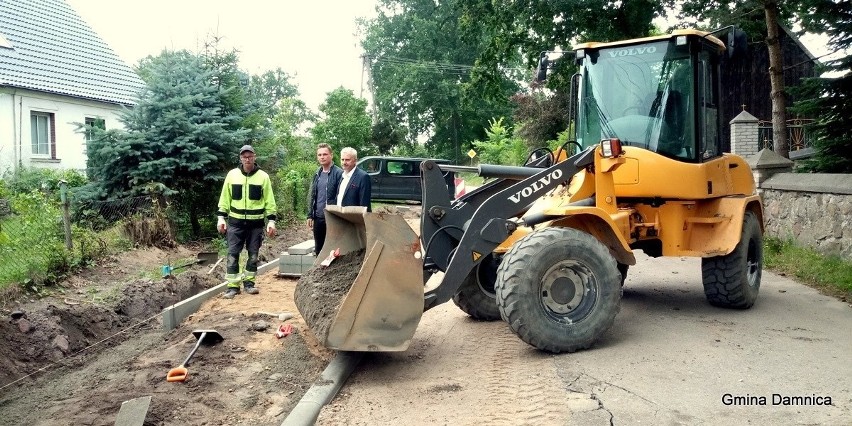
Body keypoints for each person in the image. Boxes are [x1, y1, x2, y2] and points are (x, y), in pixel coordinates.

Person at [217, 145, 277, 299]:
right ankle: (233, 286)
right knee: (232, 254)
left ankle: (249, 283)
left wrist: (271, 221)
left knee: (253, 255)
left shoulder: (263, 177)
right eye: (244, 156)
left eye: (250, 156)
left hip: (255, 224)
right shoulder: (232, 175)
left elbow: (269, 200)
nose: (247, 159)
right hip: (235, 223)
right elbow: (225, 198)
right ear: (240, 158)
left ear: (254, 157)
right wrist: (221, 217)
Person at [307, 143, 342, 256]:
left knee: (332, 249)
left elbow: (341, 197)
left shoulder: (339, 174)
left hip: (332, 217)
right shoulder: (317, 173)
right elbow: (312, 195)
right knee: (319, 249)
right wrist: (310, 215)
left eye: (325, 154)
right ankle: (319, 271)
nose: (322, 157)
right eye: (319, 155)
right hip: (318, 218)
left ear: (331, 155)